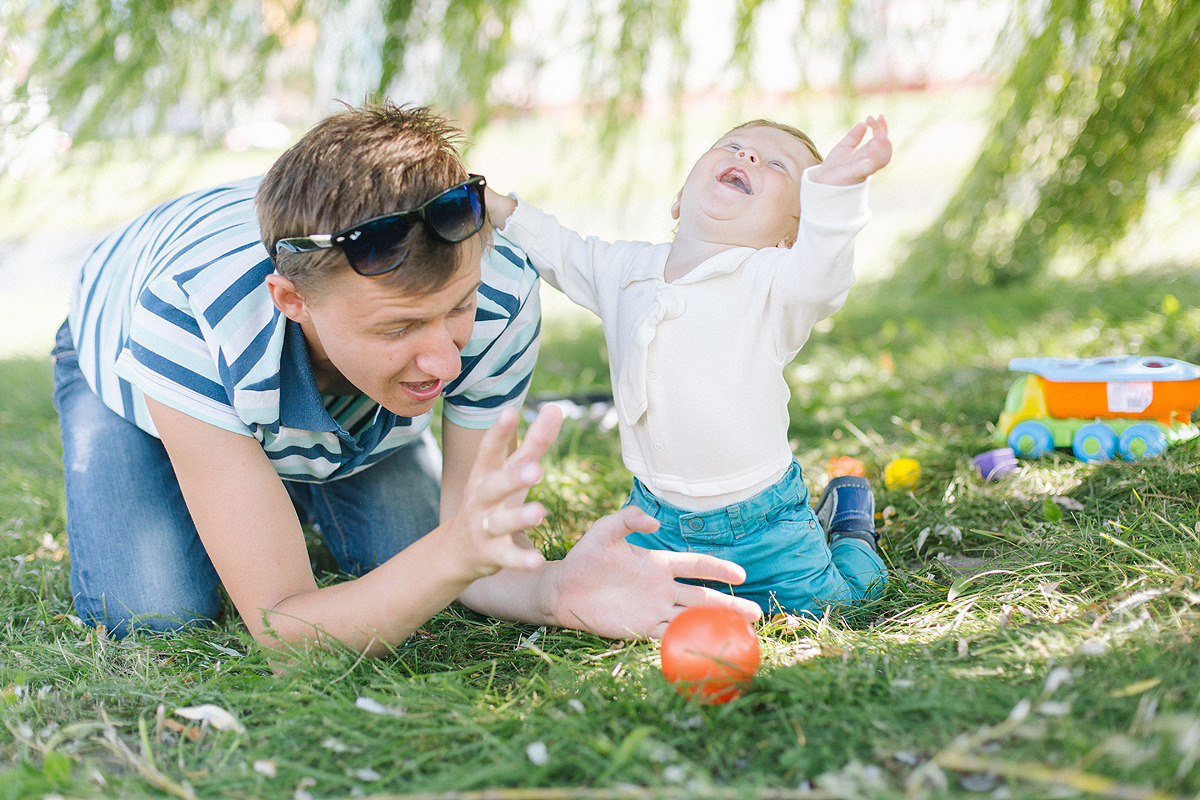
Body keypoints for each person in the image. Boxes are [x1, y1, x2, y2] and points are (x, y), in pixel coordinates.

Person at [51, 101, 762, 655]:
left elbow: (471, 535)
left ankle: (283, 466)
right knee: (153, 612)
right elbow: (287, 633)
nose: (447, 364)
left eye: (457, 310)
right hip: (122, 354)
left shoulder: (503, 288)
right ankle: (249, 463)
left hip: (314, 371)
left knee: (408, 560)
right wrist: (452, 550)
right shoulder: (191, 316)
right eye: (398, 329)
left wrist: (553, 588)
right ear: (291, 300)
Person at [485, 115, 893, 618]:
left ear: (792, 238)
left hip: (764, 526)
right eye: (735, 146)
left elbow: (823, 275)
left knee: (844, 607)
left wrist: (832, 194)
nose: (748, 157)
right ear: (679, 200)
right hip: (659, 522)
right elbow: (563, 251)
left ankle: (851, 527)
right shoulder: (624, 270)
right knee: (641, 609)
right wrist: (498, 207)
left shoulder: (775, 285)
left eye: (776, 164)